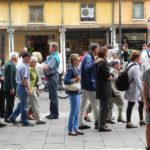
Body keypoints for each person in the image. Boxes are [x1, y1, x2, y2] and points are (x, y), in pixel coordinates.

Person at [9, 52, 34, 126]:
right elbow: (24, 80)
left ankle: (13, 117)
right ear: (25, 58)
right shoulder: (24, 67)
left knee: (21, 104)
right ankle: (24, 121)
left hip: (20, 86)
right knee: (24, 105)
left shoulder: (20, 65)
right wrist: (28, 89)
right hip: (22, 87)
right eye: (29, 58)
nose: (30, 59)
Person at [79, 45, 99, 130]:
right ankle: (98, 123)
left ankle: (80, 123)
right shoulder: (89, 57)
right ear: (95, 49)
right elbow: (87, 68)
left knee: (83, 105)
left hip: (85, 84)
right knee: (95, 104)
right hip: (90, 85)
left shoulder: (87, 56)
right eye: (98, 49)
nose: (98, 50)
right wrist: (96, 62)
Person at [64, 54, 84, 136]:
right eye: (77, 60)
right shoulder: (70, 69)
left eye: (79, 60)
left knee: (77, 111)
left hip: (77, 91)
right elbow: (66, 81)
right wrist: (75, 79)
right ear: (73, 61)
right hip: (72, 92)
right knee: (73, 111)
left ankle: (75, 128)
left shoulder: (76, 68)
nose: (79, 61)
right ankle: (70, 129)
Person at [124, 50, 145, 128]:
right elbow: (137, 80)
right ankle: (128, 122)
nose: (140, 58)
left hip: (133, 88)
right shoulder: (135, 66)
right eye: (140, 56)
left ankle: (141, 120)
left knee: (140, 103)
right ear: (136, 57)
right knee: (131, 105)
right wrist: (142, 90)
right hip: (134, 88)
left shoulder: (131, 64)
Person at [95, 47, 112, 132]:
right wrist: (110, 76)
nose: (108, 53)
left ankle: (99, 122)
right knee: (104, 106)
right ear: (104, 53)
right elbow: (107, 75)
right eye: (107, 52)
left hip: (101, 86)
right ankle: (101, 125)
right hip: (104, 87)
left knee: (103, 106)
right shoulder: (102, 62)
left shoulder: (99, 61)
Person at [28, 56, 46, 124]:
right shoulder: (29, 69)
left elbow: (35, 80)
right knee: (36, 103)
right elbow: (26, 80)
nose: (35, 63)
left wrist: (36, 89)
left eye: (36, 61)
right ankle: (38, 119)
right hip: (30, 89)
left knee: (27, 104)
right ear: (30, 61)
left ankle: (15, 117)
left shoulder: (34, 68)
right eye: (34, 61)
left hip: (33, 88)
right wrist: (29, 89)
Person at [44, 42, 60, 119]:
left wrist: (44, 65)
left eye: (50, 46)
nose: (49, 48)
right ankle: (52, 113)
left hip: (53, 77)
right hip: (51, 77)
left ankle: (55, 114)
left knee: (53, 96)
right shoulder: (52, 56)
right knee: (51, 96)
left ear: (53, 48)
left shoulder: (54, 57)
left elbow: (47, 67)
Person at [3, 52, 19, 122]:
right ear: (14, 58)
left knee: (10, 103)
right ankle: (8, 117)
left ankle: (9, 117)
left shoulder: (11, 64)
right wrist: (12, 88)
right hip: (9, 87)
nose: (18, 58)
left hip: (9, 87)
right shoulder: (10, 65)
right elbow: (9, 78)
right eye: (17, 57)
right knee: (10, 104)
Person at [143, 66, 150, 150]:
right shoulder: (148, 70)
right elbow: (145, 87)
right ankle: (149, 146)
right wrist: (145, 102)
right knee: (148, 124)